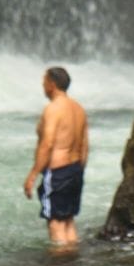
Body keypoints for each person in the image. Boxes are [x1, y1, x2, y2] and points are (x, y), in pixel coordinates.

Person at [23, 66, 89, 246]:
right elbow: (85, 146)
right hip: (75, 169)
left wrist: (33, 175)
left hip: (57, 172)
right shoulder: (79, 109)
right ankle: (72, 264)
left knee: (55, 222)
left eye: (44, 81)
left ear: (52, 84)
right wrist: (78, 171)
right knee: (68, 220)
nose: (42, 85)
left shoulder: (53, 109)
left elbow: (48, 144)